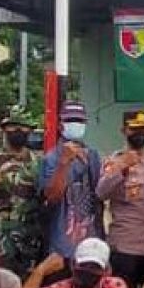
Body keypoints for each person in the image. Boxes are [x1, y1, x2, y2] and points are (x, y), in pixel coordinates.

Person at [97, 110, 144, 288]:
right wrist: (121, 168)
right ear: (124, 130)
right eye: (134, 129)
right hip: (127, 243)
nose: (139, 133)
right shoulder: (114, 161)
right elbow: (101, 193)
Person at [0, 106, 45, 277]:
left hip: (29, 234)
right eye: (13, 127)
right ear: (4, 129)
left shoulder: (39, 162)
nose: (18, 131)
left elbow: (45, 196)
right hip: (0, 234)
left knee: (28, 283)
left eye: (23, 127)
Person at [40, 101, 104, 268]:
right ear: (61, 125)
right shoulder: (52, 158)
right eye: (70, 121)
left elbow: (100, 194)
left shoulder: (93, 156)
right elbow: (52, 198)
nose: (75, 125)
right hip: (62, 244)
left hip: (91, 244)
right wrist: (64, 163)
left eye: (80, 121)